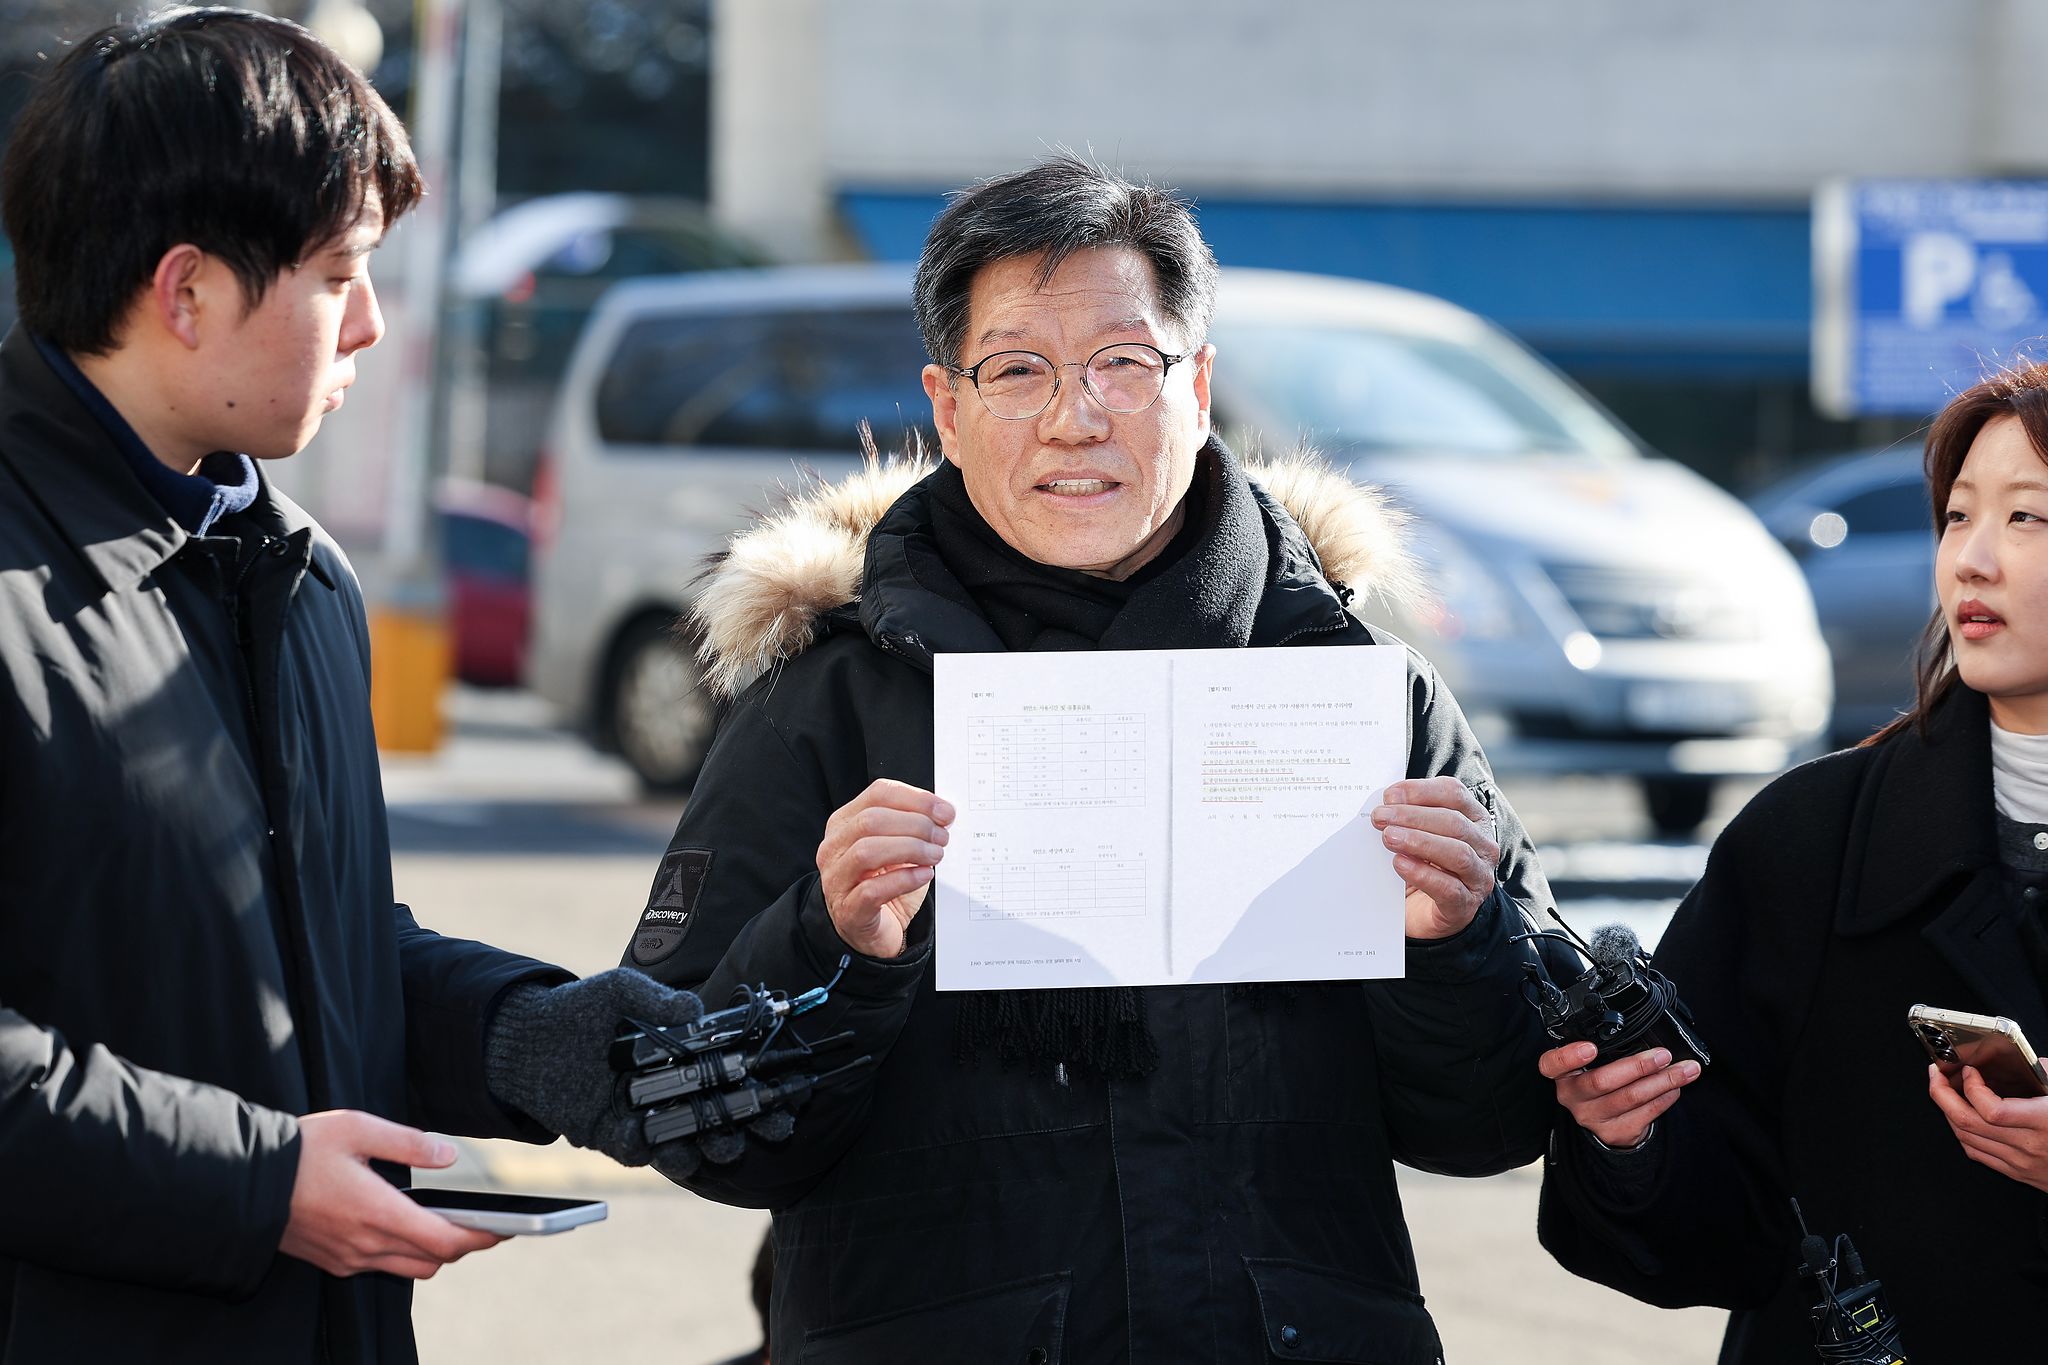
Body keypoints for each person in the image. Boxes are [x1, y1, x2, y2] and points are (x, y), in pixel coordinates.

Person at [627, 155, 1568, 1362]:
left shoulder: (1355, 695)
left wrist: (1454, 946)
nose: (1075, 416)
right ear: (948, 407)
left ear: (1200, 384)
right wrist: (828, 942)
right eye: (1017, 370)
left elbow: (1489, 1124)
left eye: (1124, 364)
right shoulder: (830, 704)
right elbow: (688, 1118)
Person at [0, 11, 705, 1362]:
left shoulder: (299, 575)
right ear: (187, 290)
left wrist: (532, 1036)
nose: (373, 325)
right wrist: (257, 1186)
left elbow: (311, 954)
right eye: (341, 274)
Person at [1537, 362, 2048, 1363]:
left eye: (2025, 519)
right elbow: (1720, 1239)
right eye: (1954, 516)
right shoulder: (1809, 842)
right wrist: (1626, 1137)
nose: (1970, 561)